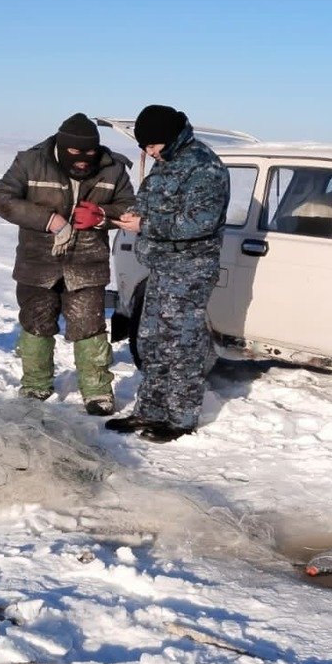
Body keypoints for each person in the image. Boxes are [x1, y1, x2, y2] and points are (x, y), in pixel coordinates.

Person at [0, 113, 136, 415]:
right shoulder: (30, 162)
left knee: (89, 326)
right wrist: (48, 220)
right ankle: (35, 385)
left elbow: (129, 207)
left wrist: (101, 216)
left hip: (87, 263)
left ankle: (97, 393)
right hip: (38, 263)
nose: (83, 161)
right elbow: (1, 199)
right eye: (74, 153)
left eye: (90, 153)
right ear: (61, 146)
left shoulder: (114, 168)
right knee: (36, 324)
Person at [106, 105, 229, 443]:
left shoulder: (204, 167)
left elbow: (199, 222)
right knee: (151, 342)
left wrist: (145, 225)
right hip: (161, 267)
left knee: (181, 345)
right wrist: (121, 217)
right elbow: (148, 205)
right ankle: (151, 410)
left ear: (168, 137)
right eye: (145, 148)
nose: (149, 153)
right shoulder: (166, 164)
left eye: (152, 146)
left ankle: (179, 418)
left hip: (190, 270)